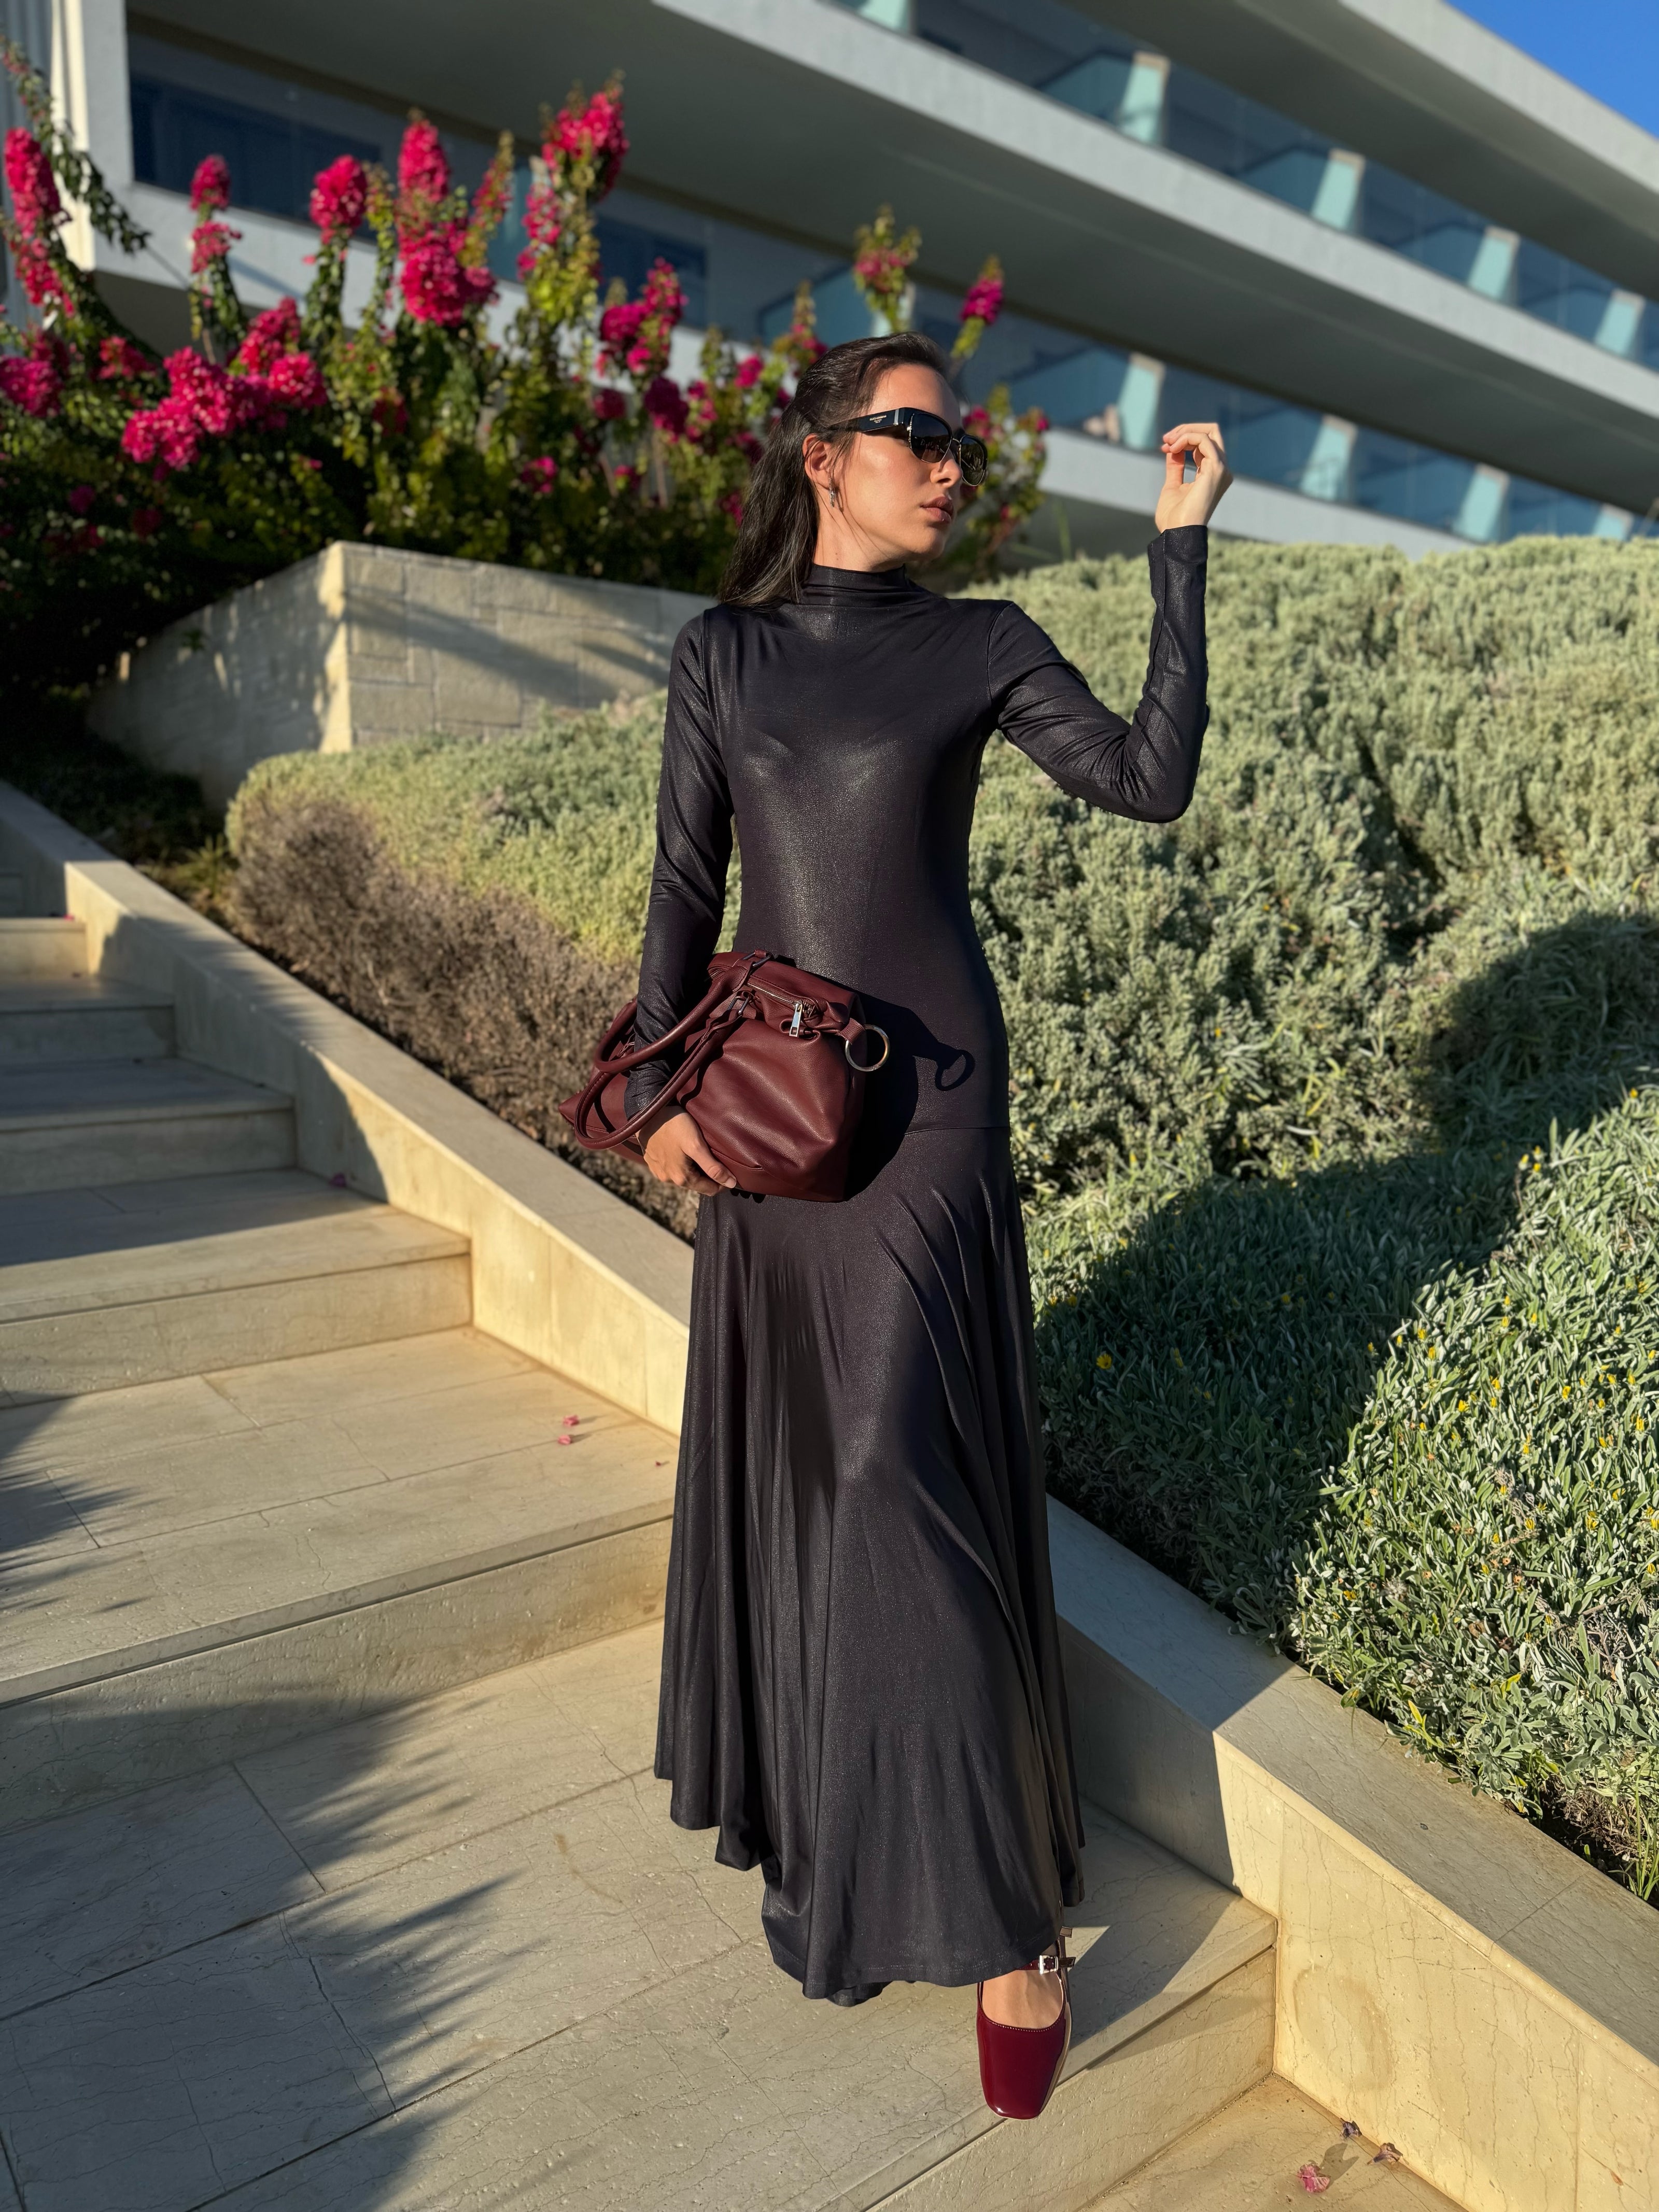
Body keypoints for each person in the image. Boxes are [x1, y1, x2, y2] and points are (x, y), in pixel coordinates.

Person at [628, 329, 1230, 2119]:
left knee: (890, 1462)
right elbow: (683, 888)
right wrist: (655, 1094)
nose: (950, 462)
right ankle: (843, 1850)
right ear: (822, 455)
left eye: (958, 441)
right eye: (914, 434)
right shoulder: (723, 653)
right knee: (820, 1482)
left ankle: (1006, 1920)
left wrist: (1178, 551)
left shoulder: (981, 643)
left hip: (933, 1109)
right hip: (769, 1118)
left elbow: (1149, 778)